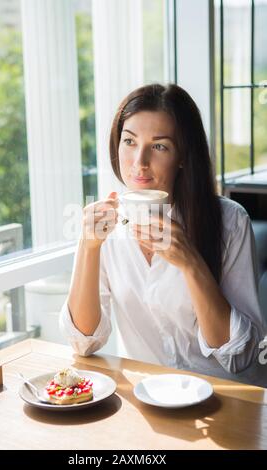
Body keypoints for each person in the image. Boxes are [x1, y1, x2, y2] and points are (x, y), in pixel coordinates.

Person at [59, 83, 267, 386]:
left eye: (159, 146)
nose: (139, 162)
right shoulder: (106, 226)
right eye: (129, 141)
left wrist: (191, 263)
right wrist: (88, 247)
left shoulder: (231, 221)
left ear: (183, 155)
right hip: (152, 399)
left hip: (229, 399)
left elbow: (240, 354)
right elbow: (84, 343)